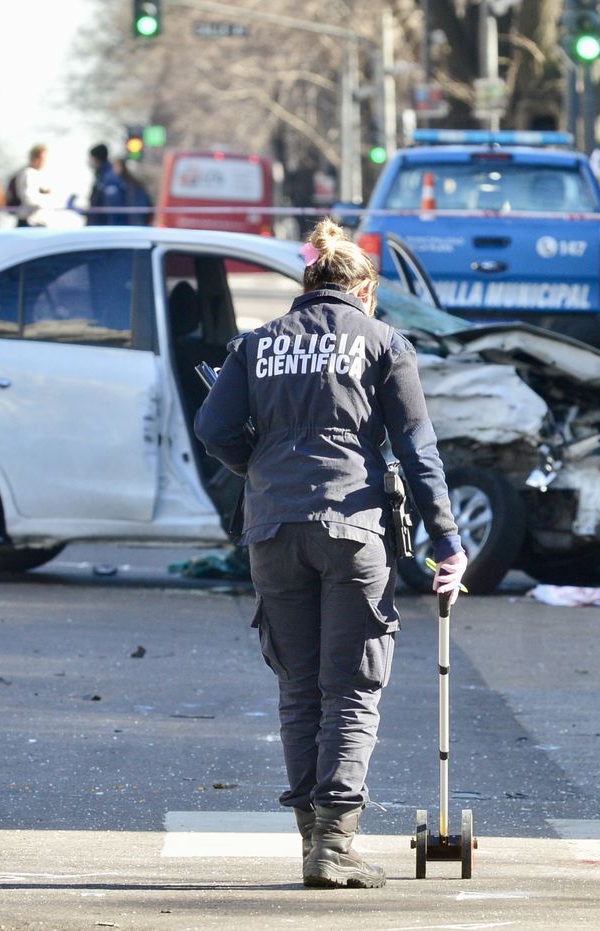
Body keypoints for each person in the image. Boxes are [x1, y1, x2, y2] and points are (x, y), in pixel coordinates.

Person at [194, 218, 468, 889]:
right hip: (354, 526)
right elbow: (418, 451)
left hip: (273, 527)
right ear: (364, 290)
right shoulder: (383, 343)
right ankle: (336, 843)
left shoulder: (256, 344)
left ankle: (310, 839)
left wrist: (260, 465)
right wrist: (447, 543)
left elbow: (213, 427)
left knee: (299, 686)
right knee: (351, 686)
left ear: (307, 282)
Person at [7, 144, 55, 228]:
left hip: (39, 220)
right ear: (34, 158)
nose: (43, 162)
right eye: (41, 158)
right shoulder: (27, 173)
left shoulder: (41, 174)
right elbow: (27, 197)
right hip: (29, 220)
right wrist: (45, 201)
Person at [86, 144, 130, 226]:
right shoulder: (101, 177)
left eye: (91, 158)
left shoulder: (109, 178)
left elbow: (114, 209)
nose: (89, 161)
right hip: (101, 228)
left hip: (106, 229)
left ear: (96, 159)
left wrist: (113, 230)